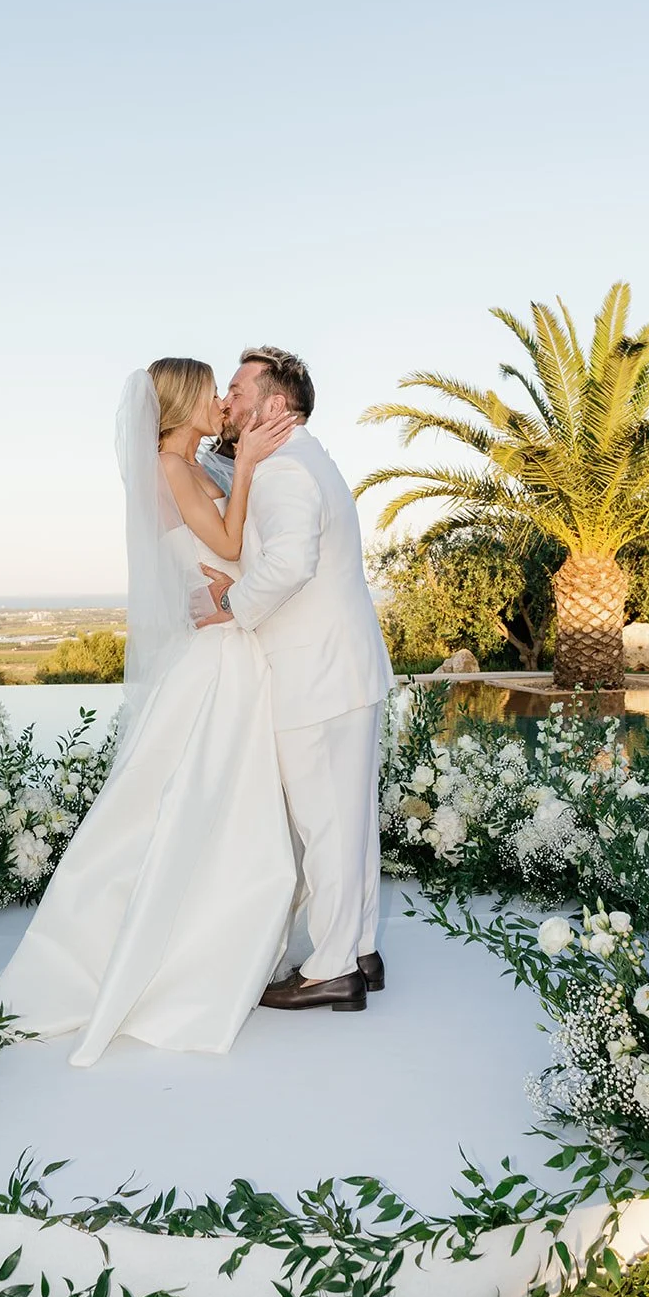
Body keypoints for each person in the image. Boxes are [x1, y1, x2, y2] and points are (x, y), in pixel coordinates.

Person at [0, 358, 299, 1067]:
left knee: (210, 805)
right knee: (189, 803)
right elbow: (223, 544)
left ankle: (211, 944)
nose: (221, 402)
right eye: (210, 390)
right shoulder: (172, 466)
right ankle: (163, 960)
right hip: (214, 656)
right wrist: (247, 464)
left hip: (223, 641)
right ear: (181, 401)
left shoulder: (192, 464)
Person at [200, 347, 394, 1013]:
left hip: (314, 674)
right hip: (343, 668)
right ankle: (360, 948)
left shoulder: (283, 469)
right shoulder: (312, 458)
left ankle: (332, 969)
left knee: (325, 825)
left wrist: (233, 603)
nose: (226, 401)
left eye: (235, 389)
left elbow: (288, 564)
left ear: (275, 405)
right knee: (350, 821)